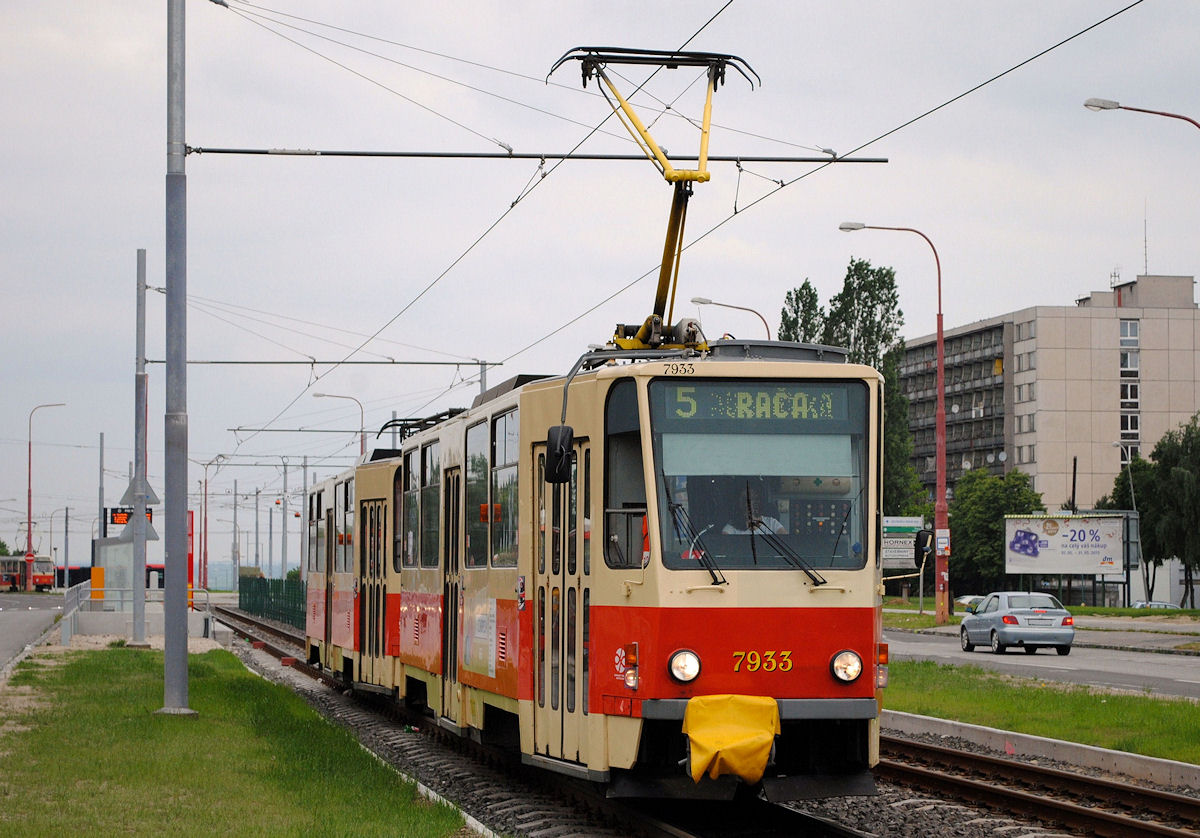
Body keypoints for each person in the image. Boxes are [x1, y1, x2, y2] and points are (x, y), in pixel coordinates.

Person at [718, 479, 787, 535]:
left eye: (754, 498)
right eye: (745, 498)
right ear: (738, 502)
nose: (749, 502)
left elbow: (786, 544)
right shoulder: (730, 529)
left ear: (760, 500)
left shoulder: (772, 524)